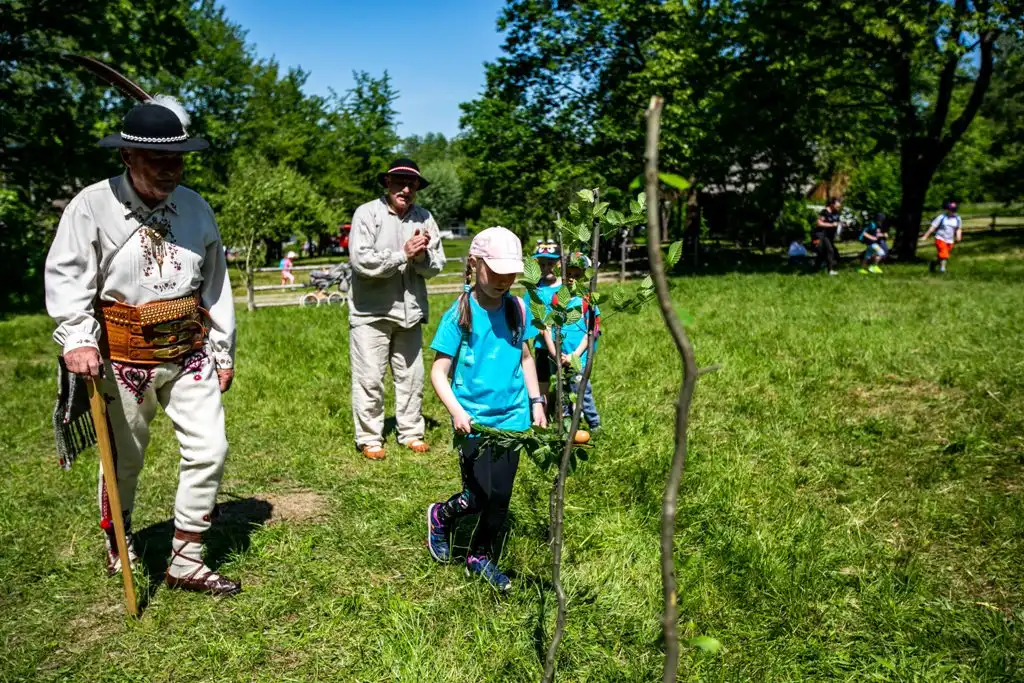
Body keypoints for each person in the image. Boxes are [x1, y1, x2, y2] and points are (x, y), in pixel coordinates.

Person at [44, 96, 240, 595]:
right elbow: (69, 278)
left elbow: (215, 285)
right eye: (158, 160)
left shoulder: (196, 208)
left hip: (189, 351)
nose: (171, 169)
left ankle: (185, 558)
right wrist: (77, 338)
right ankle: (119, 545)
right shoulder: (91, 206)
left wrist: (222, 350)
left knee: (210, 449)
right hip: (121, 357)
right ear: (128, 157)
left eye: (177, 159)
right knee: (124, 459)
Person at [425, 227, 547, 592]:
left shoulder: (517, 307)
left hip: (513, 417)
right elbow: (438, 372)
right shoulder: (460, 314)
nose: (503, 281)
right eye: (495, 272)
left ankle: (480, 555)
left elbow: (526, 358)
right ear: (474, 265)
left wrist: (537, 401)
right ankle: (441, 515)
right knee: (477, 496)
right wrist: (457, 412)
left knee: (500, 498)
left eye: (510, 273)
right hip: (473, 421)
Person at [348, 158, 447, 460]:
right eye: (399, 182)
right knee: (369, 378)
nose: (406, 188)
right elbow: (361, 261)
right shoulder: (367, 213)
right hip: (371, 313)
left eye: (412, 183)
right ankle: (370, 439)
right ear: (387, 183)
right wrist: (401, 255)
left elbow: (437, 265)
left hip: (410, 313)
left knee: (412, 377)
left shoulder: (425, 218)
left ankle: (411, 432)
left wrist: (420, 258)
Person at [543, 252, 601, 434]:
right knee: (562, 393)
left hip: (578, 359)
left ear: (584, 276)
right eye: (569, 275)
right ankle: (566, 426)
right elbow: (547, 328)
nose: (572, 280)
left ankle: (594, 423)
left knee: (582, 391)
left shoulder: (588, 301)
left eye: (577, 276)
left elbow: (592, 332)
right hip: (559, 357)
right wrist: (555, 353)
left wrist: (574, 356)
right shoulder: (556, 299)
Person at [529, 240, 561, 410]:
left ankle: (564, 409)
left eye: (550, 263)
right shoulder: (535, 289)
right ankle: (543, 410)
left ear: (560, 263)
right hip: (541, 345)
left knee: (564, 377)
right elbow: (527, 314)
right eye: (542, 264)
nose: (546, 267)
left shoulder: (567, 288)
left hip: (565, 344)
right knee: (542, 378)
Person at [921, 201, 963, 274]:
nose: (952, 211)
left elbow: (958, 228)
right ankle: (942, 270)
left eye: (954, 210)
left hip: (950, 240)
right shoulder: (941, 217)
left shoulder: (957, 218)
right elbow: (933, 227)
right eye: (951, 209)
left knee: (942, 256)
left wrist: (958, 236)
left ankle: (933, 264)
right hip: (940, 238)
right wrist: (925, 236)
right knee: (944, 254)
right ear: (947, 209)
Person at [814, 197, 842, 275]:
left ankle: (817, 267)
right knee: (829, 250)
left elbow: (838, 223)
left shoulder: (836, 212)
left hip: (830, 236)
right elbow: (819, 223)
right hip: (821, 235)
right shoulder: (824, 212)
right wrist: (831, 225)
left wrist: (839, 230)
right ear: (832, 204)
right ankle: (830, 270)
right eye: (837, 205)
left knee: (825, 252)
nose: (838, 207)